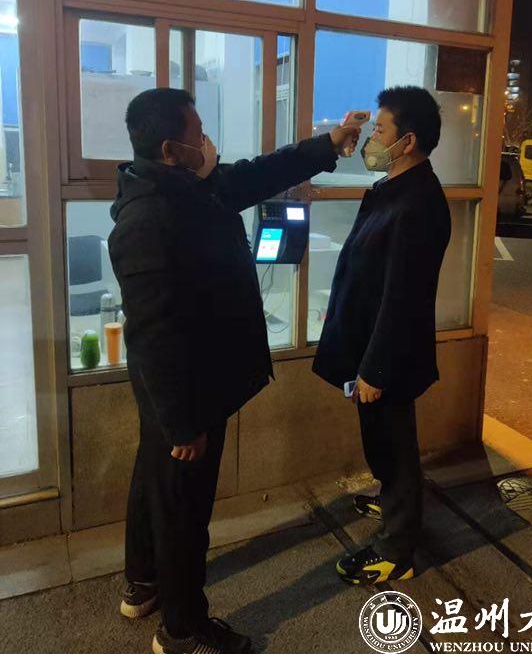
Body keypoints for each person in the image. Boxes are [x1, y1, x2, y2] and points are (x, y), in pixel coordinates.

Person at [108, 88, 360, 654]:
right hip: (186, 392)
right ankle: (182, 629)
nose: (207, 142)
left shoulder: (189, 188)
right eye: (197, 133)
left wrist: (329, 144)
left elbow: (260, 172)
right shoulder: (149, 219)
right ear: (170, 149)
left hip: (185, 385)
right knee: (184, 507)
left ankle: (143, 581)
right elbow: (153, 334)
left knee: (156, 482)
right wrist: (183, 423)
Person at [312, 85, 451, 586]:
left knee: (393, 444)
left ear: (407, 141)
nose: (371, 139)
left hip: (385, 355)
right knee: (382, 438)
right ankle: (394, 499)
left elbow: (404, 298)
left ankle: (398, 549)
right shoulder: (391, 189)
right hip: (369, 346)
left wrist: (375, 368)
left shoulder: (418, 204)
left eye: (380, 130)